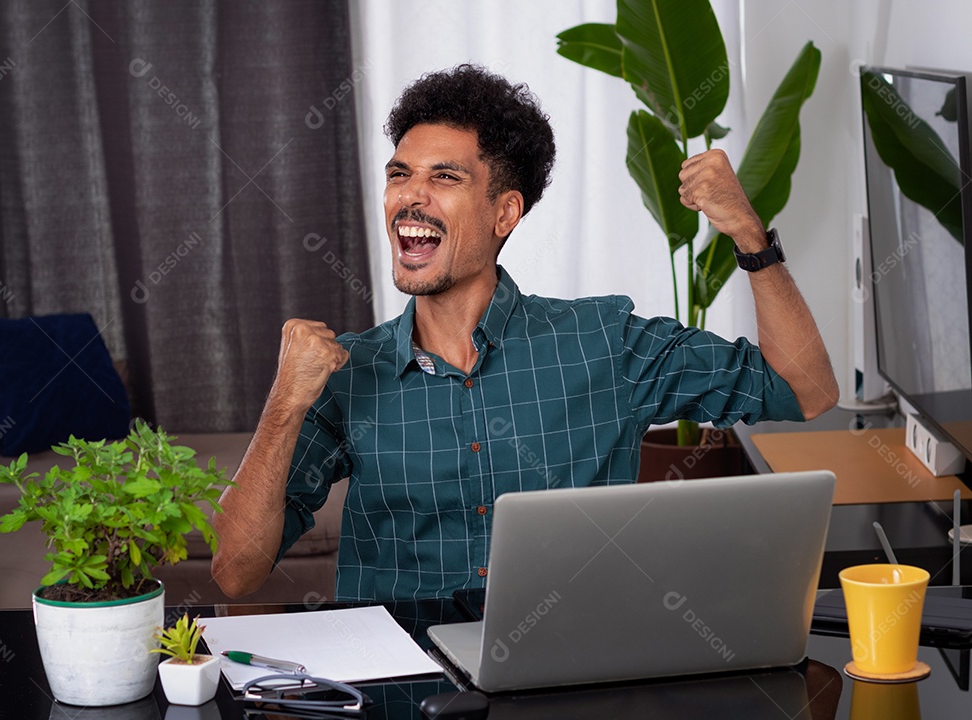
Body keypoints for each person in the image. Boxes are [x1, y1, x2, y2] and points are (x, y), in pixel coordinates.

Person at [212, 65, 837, 602]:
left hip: (563, 685)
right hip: (404, 690)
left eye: (445, 178)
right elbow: (236, 574)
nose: (410, 196)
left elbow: (805, 389)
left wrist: (751, 239)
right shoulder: (348, 372)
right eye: (400, 175)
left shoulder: (603, 341)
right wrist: (282, 406)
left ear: (504, 212)